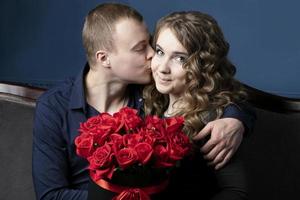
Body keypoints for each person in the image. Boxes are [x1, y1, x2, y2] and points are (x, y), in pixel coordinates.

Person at [32, 3, 254, 200]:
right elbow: (51, 194)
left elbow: (219, 92)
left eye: (152, 46)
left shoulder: (150, 93)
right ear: (104, 58)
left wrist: (237, 119)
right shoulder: (55, 106)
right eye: (144, 49)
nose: (153, 58)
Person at [142, 11, 249, 199]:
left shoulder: (214, 121)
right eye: (160, 52)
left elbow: (236, 192)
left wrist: (236, 118)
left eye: (179, 58)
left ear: (203, 64)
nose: (162, 68)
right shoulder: (150, 102)